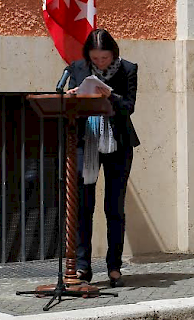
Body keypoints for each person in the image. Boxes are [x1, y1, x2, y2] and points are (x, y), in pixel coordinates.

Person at [67, 28, 140, 287]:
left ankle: (114, 266)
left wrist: (112, 96)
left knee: (114, 207)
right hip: (86, 141)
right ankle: (82, 266)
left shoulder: (128, 69)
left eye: (105, 58)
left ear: (114, 53)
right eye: (96, 59)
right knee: (83, 206)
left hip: (118, 143)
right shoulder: (76, 67)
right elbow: (67, 103)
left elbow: (129, 106)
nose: (100, 63)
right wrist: (73, 96)